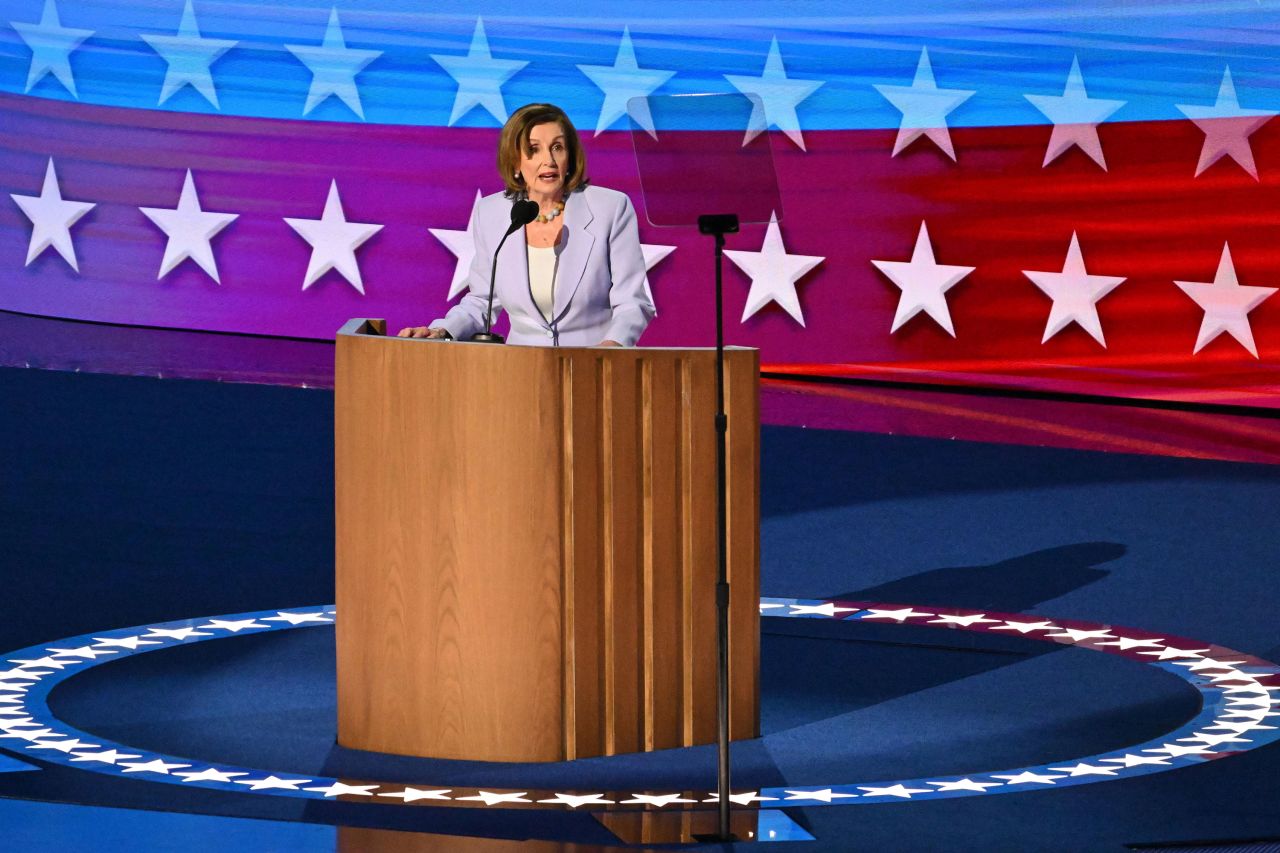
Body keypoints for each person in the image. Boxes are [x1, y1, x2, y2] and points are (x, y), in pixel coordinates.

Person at [399, 103, 655, 347]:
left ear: (571, 156)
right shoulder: (491, 213)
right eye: (534, 149)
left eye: (558, 147)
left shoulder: (609, 208)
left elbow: (632, 302)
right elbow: (482, 300)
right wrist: (442, 331)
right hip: (522, 373)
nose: (549, 161)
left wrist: (610, 348)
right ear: (516, 162)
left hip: (592, 368)